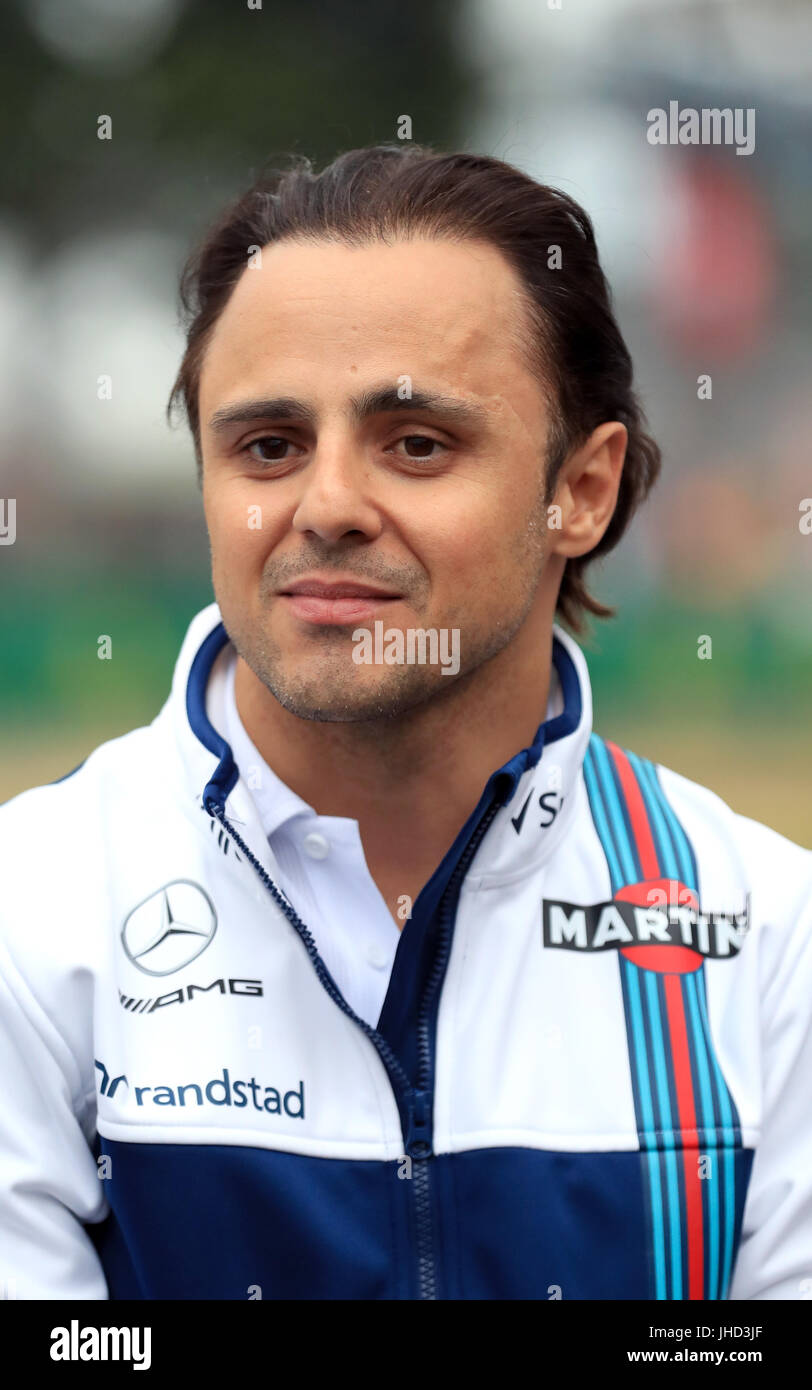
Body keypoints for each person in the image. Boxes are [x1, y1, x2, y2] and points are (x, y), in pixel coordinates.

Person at [1, 144, 809, 1301]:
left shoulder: (769, 946)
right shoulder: (27, 923)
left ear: (578, 490)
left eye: (416, 445)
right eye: (268, 446)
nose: (325, 506)